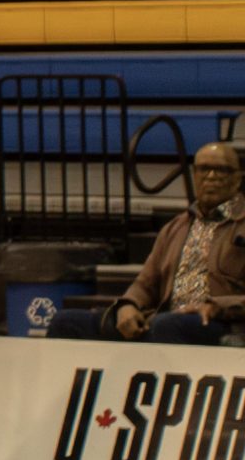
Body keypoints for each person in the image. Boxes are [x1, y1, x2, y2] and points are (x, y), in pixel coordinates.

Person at [47, 142, 241, 344]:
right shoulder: (176, 227)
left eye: (221, 170)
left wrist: (218, 306)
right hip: (165, 319)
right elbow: (146, 282)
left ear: (237, 179)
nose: (211, 176)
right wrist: (129, 304)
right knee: (66, 322)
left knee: (165, 325)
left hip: (220, 322)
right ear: (195, 175)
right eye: (204, 169)